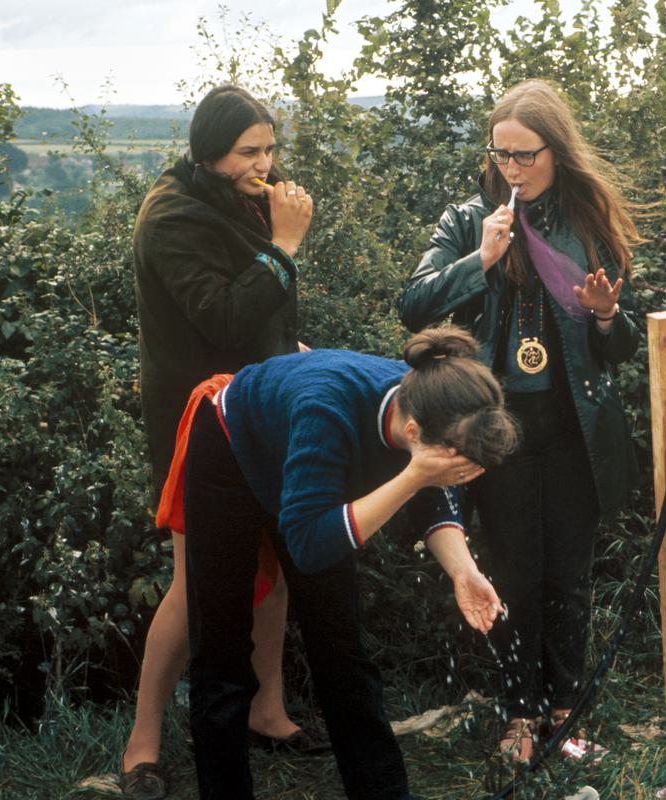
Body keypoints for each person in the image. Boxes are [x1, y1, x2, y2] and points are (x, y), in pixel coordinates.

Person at [398, 79, 641, 762]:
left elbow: (621, 349)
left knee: (567, 572)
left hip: (573, 428)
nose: (512, 169)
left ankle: (565, 709)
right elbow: (412, 304)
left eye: (525, 156)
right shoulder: (466, 219)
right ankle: (517, 714)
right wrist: (481, 260)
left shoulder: (589, 223)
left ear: (556, 151)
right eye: (500, 155)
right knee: (510, 571)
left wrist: (602, 315)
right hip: (494, 430)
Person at [181, 327, 518, 799]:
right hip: (230, 449)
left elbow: (434, 499)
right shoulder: (327, 410)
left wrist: (463, 570)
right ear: (415, 435)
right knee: (223, 641)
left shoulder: (433, 402)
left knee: (341, 647)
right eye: (447, 465)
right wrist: (413, 477)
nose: (448, 475)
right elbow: (309, 545)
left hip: (312, 467)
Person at [126, 84, 316, 798]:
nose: (263, 164)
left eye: (269, 148)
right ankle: (142, 741)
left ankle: (267, 710)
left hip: (259, 402)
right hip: (197, 423)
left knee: (277, 556)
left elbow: (258, 310)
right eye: (248, 151)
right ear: (209, 152)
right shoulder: (171, 216)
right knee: (196, 581)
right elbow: (220, 315)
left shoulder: (233, 198)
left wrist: (287, 347)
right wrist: (285, 246)